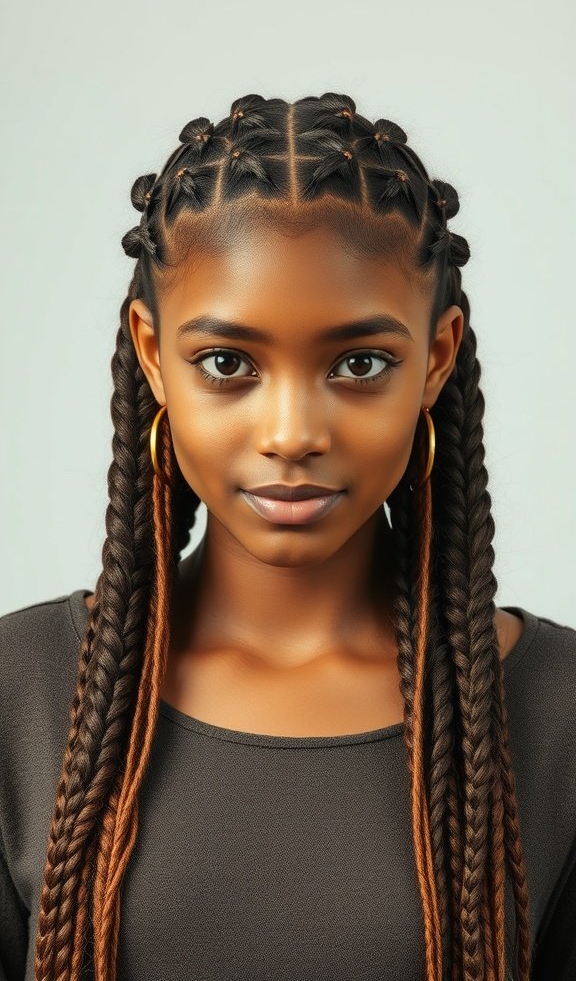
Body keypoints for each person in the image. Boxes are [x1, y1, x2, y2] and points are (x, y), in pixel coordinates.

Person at [1, 91, 574, 981]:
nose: (292, 431)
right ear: (153, 355)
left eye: (359, 364)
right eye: (228, 364)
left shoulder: (558, 714)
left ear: (437, 358)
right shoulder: (19, 695)